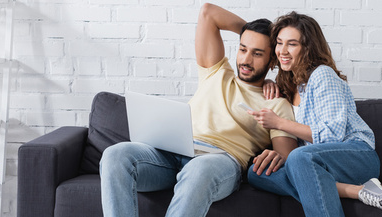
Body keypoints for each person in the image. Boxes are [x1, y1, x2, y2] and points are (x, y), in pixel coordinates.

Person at [99, 3, 298, 217]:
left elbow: (286, 154)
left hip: (221, 161)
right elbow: (208, 13)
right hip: (171, 153)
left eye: (257, 53)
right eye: (243, 49)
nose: (246, 60)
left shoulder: (277, 103)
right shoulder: (216, 72)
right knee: (115, 155)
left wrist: (279, 155)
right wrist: (251, 30)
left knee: (199, 170)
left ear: (272, 61)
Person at [247, 11, 382, 216]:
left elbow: (331, 135)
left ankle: (352, 187)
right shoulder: (292, 86)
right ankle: (359, 191)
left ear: (307, 49)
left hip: (356, 156)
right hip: (316, 165)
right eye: (279, 43)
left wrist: (279, 123)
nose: (282, 50)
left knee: (299, 158)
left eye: (292, 44)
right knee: (258, 173)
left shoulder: (322, 75)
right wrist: (268, 82)